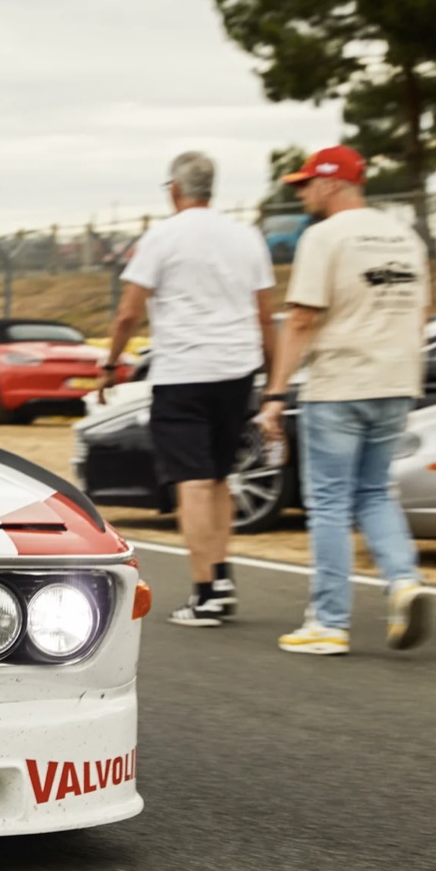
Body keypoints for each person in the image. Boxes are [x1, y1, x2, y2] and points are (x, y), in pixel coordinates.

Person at [257, 145, 435, 655]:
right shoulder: (404, 235)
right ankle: (403, 581)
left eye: (308, 183)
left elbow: (302, 318)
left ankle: (329, 622)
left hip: (339, 383)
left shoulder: (324, 236)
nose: (303, 193)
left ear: (333, 183)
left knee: (330, 502)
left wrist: (275, 393)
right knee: (375, 492)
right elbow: (423, 310)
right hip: (396, 380)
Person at [100, 151, 275, 626]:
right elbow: (264, 313)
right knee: (219, 478)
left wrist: (110, 362)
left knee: (193, 483)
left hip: (184, 372)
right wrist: (272, 378)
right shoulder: (246, 236)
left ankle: (206, 592)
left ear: (175, 189)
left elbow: (128, 313)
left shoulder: (162, 236)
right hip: (237, 371)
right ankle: (221, 576)